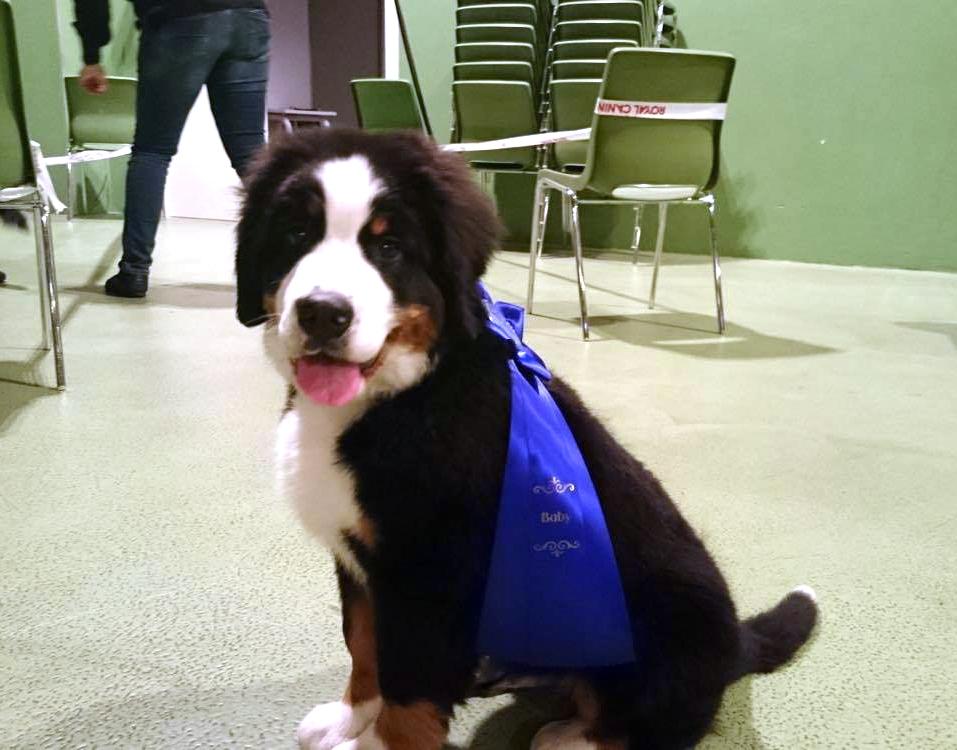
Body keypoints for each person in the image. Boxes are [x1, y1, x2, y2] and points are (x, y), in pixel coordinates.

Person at [73, 0, 271, 298]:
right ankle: (284, 268)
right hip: (247, 18)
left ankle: (134, 271)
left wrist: (92, 53)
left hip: (179, 21)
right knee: (251, 157)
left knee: (152, 152)